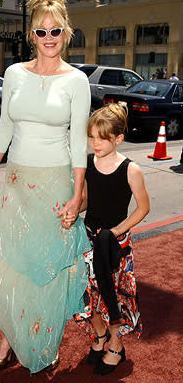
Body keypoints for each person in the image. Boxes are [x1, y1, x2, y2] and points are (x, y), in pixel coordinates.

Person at [0, 0, 91, 375]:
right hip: (15, 183)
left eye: (56, 31)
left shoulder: (77, 81)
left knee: (48, 269)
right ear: (31, 35)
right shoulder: (13, 74)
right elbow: (4, 127)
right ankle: (7, 341)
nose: (49, 39)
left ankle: (46, 341)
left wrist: (77, 195)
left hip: (55, 185)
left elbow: (79, 143)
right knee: (10, 263)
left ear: (66, 33)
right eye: (42, 32)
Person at [69, 103, 149, 376]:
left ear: (118, 138)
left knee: (114, 297)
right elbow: (89, 200)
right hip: (87, 240)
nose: (95, 143)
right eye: (91, 137)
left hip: (115, 244)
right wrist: (71, 212)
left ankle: (116, 345)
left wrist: (116, 230)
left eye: (102, 138)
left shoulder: (131, 169)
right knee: (86, 295)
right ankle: (100, 335)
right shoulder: (88, 165)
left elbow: (143, 208)